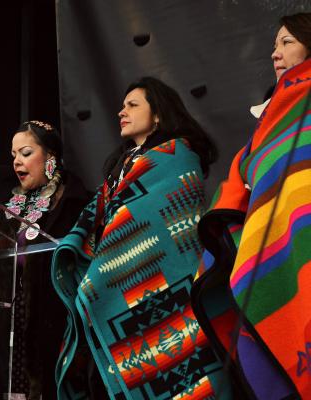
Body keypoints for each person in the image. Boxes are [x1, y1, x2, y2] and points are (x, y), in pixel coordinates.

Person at [50, 77, 230, 399]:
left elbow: (157, 222)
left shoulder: (178, 157)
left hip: (170, 283)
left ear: (157, 114)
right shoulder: (121, 166)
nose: (122, 112)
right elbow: (102, 216)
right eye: (122, 106)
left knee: (183, 371)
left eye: (133, 105)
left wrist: (104, 267)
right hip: (121, 278)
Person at [191, 13, 311, 398]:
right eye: (274, 45)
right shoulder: (270, 115)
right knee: (259, 353)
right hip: (270, 246)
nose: (275, 53)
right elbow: (250, 173)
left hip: (304, 237)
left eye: (287, 42)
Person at [0, 120, 90, 400]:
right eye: (13, 155)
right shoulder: (5, 207)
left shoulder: (77, 203)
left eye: (26, 153)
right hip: (12, 326)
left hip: (56, 324)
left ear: (51, 156)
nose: (17, 161)